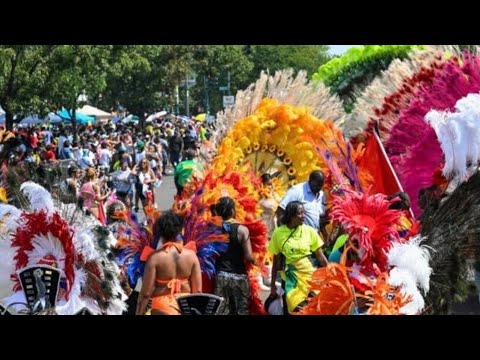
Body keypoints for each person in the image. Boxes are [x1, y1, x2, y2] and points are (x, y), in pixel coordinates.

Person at [136, 210, 202, 315]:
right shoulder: (191, 256)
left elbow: (146, 293)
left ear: (160, 232)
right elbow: (197, 291)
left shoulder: (154, 258)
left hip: (161, 308)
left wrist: (139, 312)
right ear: (179, 231)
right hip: (186, 307)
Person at [269, 201, 328, 314]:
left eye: (303, 213)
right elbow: (275, 262)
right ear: (291, 216)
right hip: (290, 281)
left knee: (312, 310)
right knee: (295, 310)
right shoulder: (278, 233)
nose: (303, 216)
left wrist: (333, 276)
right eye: (300, 213)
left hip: (311, 279)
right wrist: (272, 286)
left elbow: (321, 257)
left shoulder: (309, 231)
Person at [214, 196, 255, 315]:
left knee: (222, 311)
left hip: (221, 275)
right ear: (233, 211)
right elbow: (248, 256)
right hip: (239, 276)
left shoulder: (214, 229)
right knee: (241, 311)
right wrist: (256, 262)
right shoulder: (242, 230)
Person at [276, 170, 329, 240]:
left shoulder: (321, 195)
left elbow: (319, 220)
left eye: (321, 186)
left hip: (315, 241)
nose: (319, 189)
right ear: (310, 180)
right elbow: (280, 211)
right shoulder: (297, 191)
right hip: (297, 240)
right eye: (317, 186)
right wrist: (285, 236)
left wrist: (325, 236)